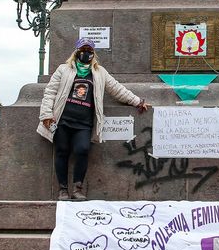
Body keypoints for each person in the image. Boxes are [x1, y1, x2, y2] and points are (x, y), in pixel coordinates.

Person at [38, 38, 151, 201]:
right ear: (76, 52)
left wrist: (137, 101)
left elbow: (117, 89)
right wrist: (46, 114)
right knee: (62, 151)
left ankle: (77, 188)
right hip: (62, 120)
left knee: (82, 150)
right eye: (84, 50)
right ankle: (63, 189)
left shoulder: (99, 72)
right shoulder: (63, 70)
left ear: (93, 53)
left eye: (90, 51)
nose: (86, 53)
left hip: (84, 123)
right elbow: (50, 92)